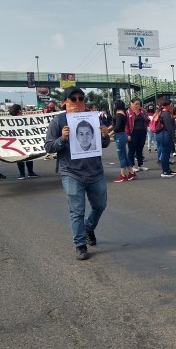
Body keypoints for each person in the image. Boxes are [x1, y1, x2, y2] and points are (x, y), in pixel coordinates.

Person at [45, 87, 110, 261]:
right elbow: (49, 147)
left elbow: (103, 144)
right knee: (77, 211)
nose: (78, 101)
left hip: (95, 172)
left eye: (81, 98)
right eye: (73, 99)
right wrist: (62, 139)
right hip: (72, 173)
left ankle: (89, 227)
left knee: (100, 205)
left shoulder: (93, 118)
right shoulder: (58, 121)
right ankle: (80, 244)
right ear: (65, 102)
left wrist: (104, 136)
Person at [8, 104, 39, 179]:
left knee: (20, 157)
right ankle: (30, 172)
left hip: (17, 142)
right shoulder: (24, 118)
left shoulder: (10, 120)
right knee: (29, 156)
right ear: (19, 110)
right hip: (26, 141)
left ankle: (22, 174)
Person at [110, 100, 133, 182]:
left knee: (121, 156)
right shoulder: (122, 113)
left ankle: (123, 175)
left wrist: (109, 134)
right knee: (124, 155)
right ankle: (131, 172)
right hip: (122, 135)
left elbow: (117, 127)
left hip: (120, 136)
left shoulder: (119, 115)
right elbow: (114, 125)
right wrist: (108, 129)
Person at [126, 98, 150, 173]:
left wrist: (147, 119)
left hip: (142, 133)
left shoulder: (142, 111)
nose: (138, 105)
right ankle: (132, 166)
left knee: (140, 149)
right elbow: (126, 125)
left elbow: (147, 120)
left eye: (139, 104)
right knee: (132, 150)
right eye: (136, 104)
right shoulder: (128, 112)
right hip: (133, 133)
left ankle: (140, 165)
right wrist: (128, 134)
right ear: (131, 104)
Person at [156, 99, 176, 178]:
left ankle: (167, 169)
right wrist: (174, 138)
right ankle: (165, 170)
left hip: (162, 134)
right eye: (171, 105)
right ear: (167, 106)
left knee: (166, 153)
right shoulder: (165, 114)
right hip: (165, 135)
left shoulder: (162, 113)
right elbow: (169, 127)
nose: (172, 107)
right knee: (165, 153)